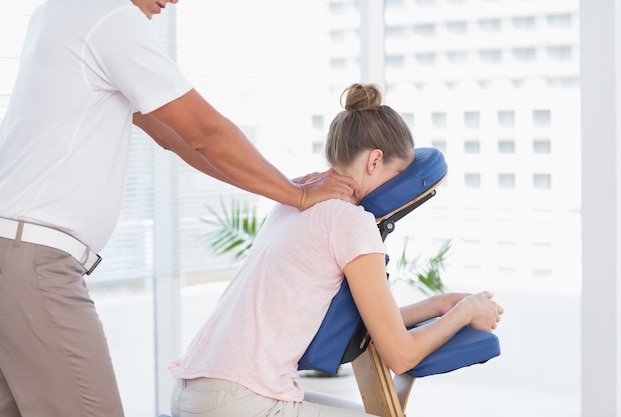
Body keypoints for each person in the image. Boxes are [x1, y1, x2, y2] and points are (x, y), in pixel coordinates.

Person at [0, 1, 359, 417]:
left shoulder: (63, 12)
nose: (173, 2)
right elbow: (204, 130)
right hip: (34, 263)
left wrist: (287, 187)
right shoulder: (113, 18)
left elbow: (176, 137)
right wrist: (296, 197)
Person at [167, 83, 504, 417]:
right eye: (398, 174)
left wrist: (439, 305)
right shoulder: (351, 222)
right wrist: (466, 310)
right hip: (237, 400)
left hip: (196, 390)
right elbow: (400, 355)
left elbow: (352, 325)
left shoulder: (293, 203)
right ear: (374, 161)